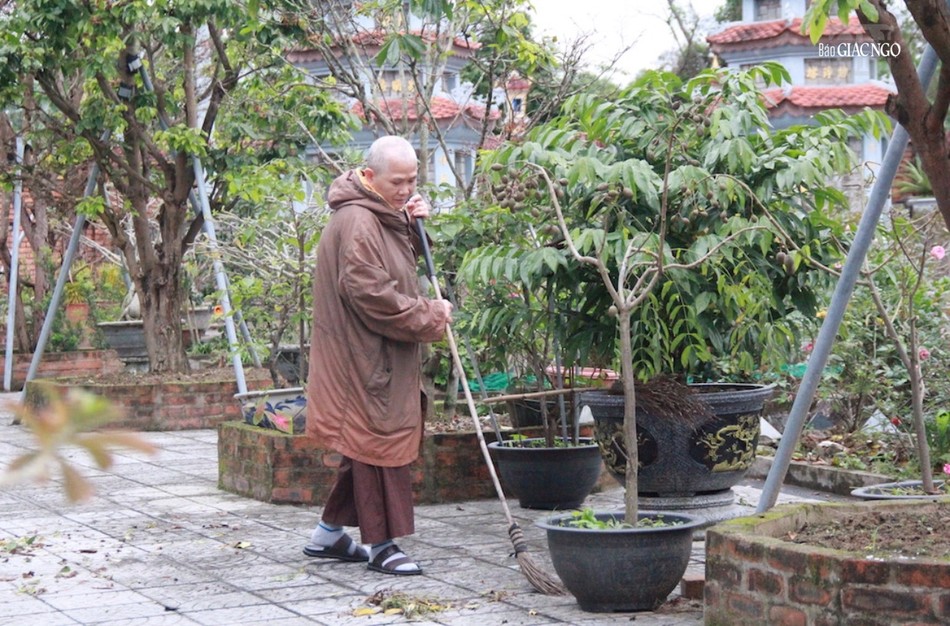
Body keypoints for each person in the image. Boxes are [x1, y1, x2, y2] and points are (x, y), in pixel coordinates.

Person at [303, 135, 453, 576]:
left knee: (365, 445)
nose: (406, 189)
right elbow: (371, 293)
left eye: (412, 181)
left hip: (374, 354)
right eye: (398, 182)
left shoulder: (376, 214)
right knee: (377, 446)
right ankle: (381, 545)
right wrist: (430, 315)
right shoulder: (358, 222)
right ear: (368, 177)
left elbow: (392, 267)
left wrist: (408, 223)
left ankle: (328, 535)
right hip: (363, 358)